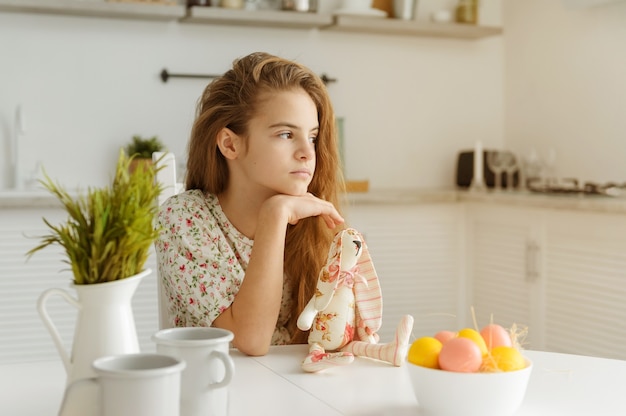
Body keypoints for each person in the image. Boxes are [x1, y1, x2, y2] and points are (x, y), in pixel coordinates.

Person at [155, 52, 346, 356]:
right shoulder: (185, 219)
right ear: (230, 144)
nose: (307, 153)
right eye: (285, 134)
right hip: (221, 388)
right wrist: (275, 215)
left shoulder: (313, 218)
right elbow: (250, 341)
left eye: (311, 137)